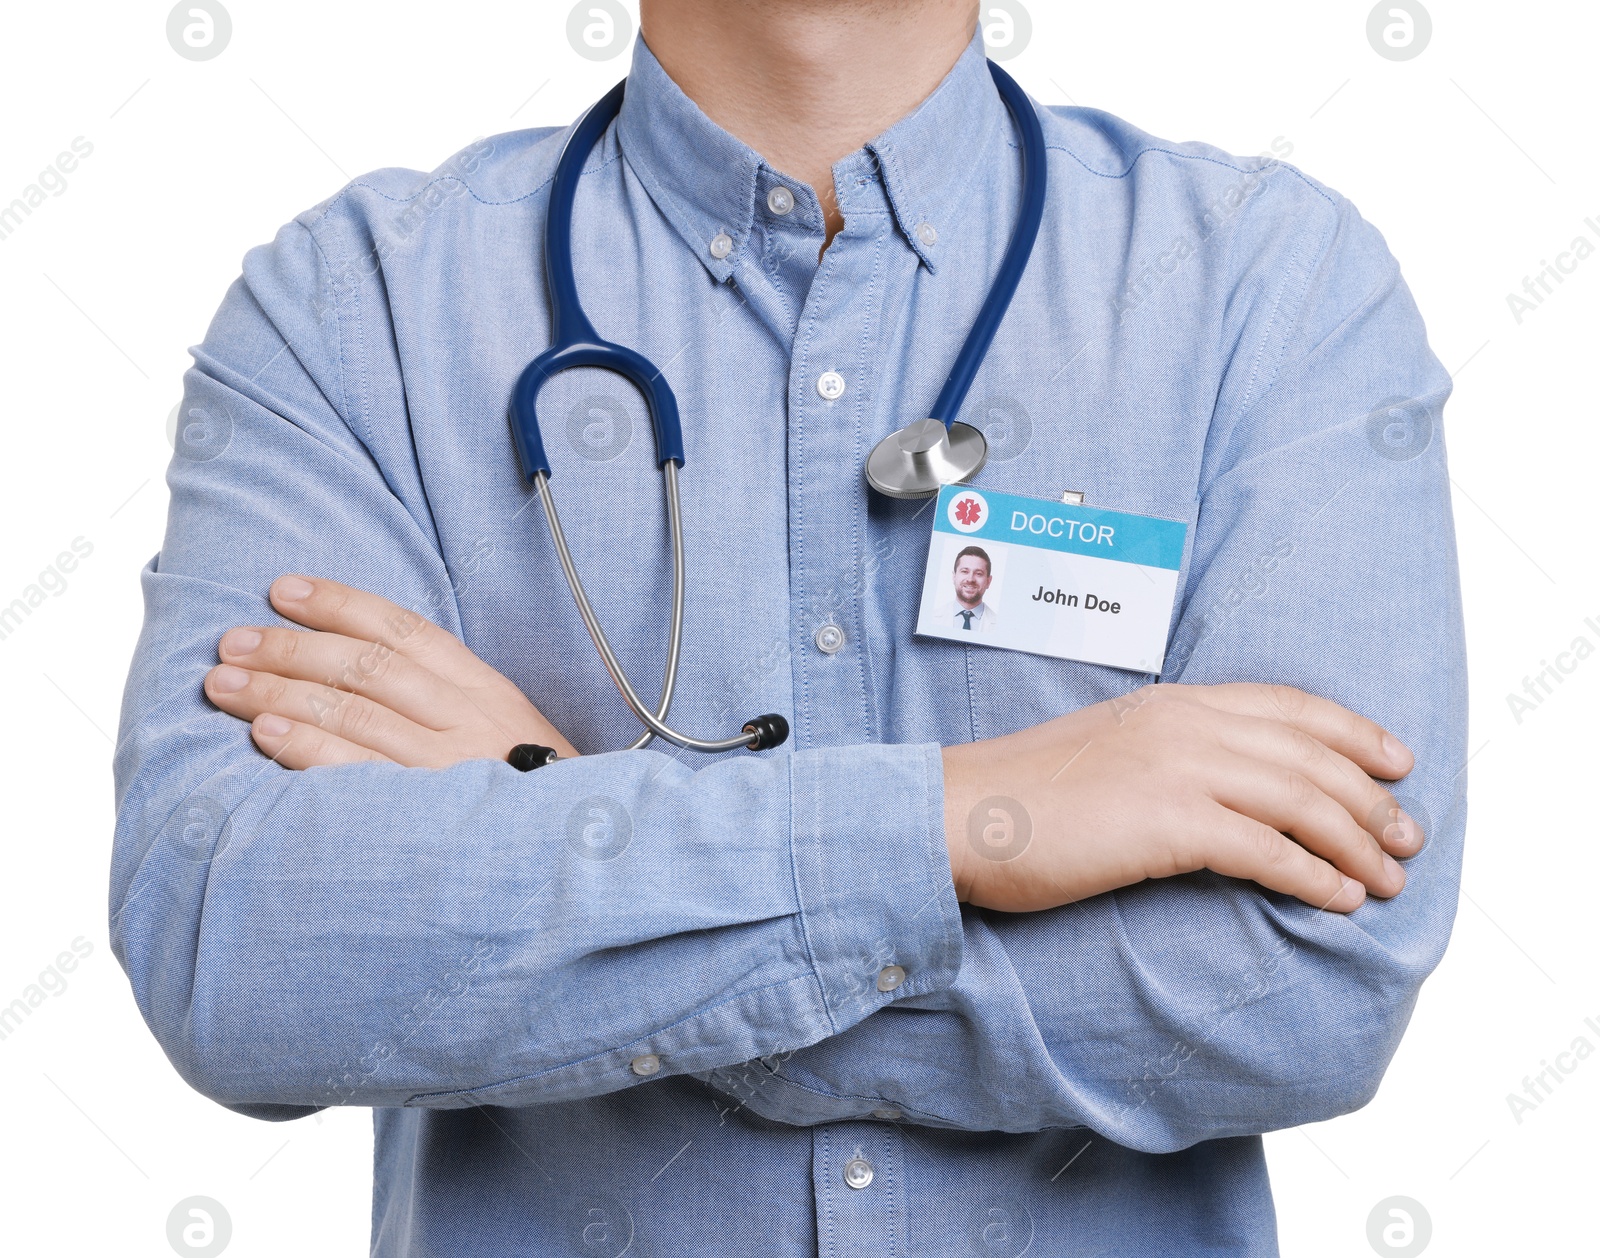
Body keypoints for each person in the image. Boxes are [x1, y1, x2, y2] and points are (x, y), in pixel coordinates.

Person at [110, 1, 1466, 1254]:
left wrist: (568, 810)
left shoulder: (1270, 288)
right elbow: (234, 947)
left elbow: (1311, 988)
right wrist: (963, 818)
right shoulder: (356, 309)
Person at [947, 544, 999, 633]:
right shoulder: (931, 616)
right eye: (964, 571)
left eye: (978, 573)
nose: (970, 579)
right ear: (954, 577)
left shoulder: (999, 625)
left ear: (988, 581)